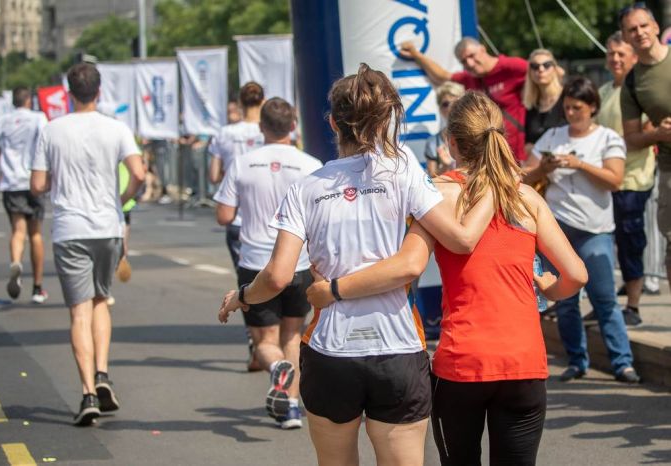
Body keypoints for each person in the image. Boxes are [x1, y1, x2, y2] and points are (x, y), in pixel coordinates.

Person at [218, 64, 496, 466]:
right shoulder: (405, 173)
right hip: (397, 347)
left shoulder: (308, 186)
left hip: (331, 350)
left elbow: (277, 276)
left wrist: (241, 297)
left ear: (333, 122)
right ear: (385, 118)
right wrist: (495, 175)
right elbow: (462, 239)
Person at [306, 90, 588, 466]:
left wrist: (335, 285)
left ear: (452, 142)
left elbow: (408, 262)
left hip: (463, 363)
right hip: (524, 362)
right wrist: (551, 288)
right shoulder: (525, 198)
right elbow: (576, 275)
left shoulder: (438, 193)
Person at [30, 63, 145, 426]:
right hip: (107, 226)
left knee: (79, 310)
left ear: (68, 92)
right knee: (100, 300)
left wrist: (55, 184)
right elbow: (139, 173)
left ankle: (88, 394)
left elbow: (36, 184)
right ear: (99, 91)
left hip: (70, 228)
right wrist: (121, 199)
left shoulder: (51, 130)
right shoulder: (116, 128)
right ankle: (102, 372)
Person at [214, 97, 322, 429]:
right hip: (299, 263)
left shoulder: (244, 163)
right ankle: (290, 407)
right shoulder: (311, 164)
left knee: (265, 342)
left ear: (260, 128)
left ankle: (276, 370)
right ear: (293, 127)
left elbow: (224, 215)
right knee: (292, 335)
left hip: (256, 261)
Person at [525, 76, 640, 384]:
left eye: (577, 107)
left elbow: (615, 180)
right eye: (567, 108)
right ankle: (577, 361)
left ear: (592, 107)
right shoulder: (552, 135)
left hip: (595, 230)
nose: (571, 113)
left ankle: (623, 363)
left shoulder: (607, 138)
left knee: (604, 299)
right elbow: (524, 174)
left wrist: (580, 165)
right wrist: (542, 169)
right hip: (557, 230)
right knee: (565, 302)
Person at [591, 31, 657, 327]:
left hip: (632, 178)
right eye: (611, 54)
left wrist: (615, 143)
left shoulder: (642, 90)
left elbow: (645, 132)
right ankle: (605, 303)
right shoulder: (603, 91)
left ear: (633, 57)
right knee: (603, 242)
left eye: (621, 54)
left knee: (631, 241)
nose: (615, 59)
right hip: (604, 180)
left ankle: (633, 305)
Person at [209, 82, 266, 372]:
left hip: (240, 221)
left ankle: (257, 345)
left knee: (246, 284)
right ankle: (276, 343)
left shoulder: (225, 134)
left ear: (240, 103)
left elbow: (214, 173)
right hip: (275, 218)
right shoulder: (270, 128)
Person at [401, 37, 528, 162]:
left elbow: (543, 74)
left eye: (472, 56)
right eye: (464, 61)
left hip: (516, 154)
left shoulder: (510, 66)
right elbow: (442, 76)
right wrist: (415, 54)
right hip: (487, 157)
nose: (470, 63)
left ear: (483, 49)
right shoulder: (470, 78)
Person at [619, 4, 671, 300]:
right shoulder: (633, 82)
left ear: (654, 26)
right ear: (626, 37)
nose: (639, 33)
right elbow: (632, 138)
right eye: (632, 29)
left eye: (643, 26)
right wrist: (658, 133)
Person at [0, 87, 49, 304]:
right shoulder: (39, 119)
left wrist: (7, 147)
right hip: (34, 180)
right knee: (36, 234)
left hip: (11, 181)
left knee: (18, 230)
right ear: (29, 101)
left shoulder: (3, 121)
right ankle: (38, 287)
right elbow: (47, 145)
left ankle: (15, 262)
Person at [522, 49, 566, 156]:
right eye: (534, 66)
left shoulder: (567, 98)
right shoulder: (530, 106)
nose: (541, 69)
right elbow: (527, 145)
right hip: (539, 168)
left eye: (546, 65)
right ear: (530, 72)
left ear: (555, 69)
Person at [423, 82, 464, 176]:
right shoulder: (433, 142)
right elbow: (431, 179)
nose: (451, 107)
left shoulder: (474, 134)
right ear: (440, 109)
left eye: (456, 102)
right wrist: (445, 167)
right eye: (445, 104)